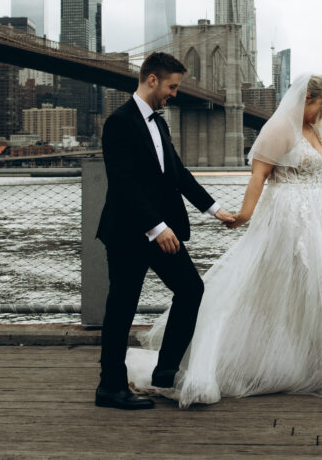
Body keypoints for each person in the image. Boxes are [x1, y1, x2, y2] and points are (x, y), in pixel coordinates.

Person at [126, 73, 322, 408]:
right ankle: (236, 360)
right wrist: (244, 214)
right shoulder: (280, 128)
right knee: (265, 284)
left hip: (315, 221)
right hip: (283, 217)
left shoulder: (320, 130)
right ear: (308, 97)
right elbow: (259, 175)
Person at [95, 52, 235, 410]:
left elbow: (177, 174)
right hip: (129, 232)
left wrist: (216, 209)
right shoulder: (118, 122)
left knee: (191, 289)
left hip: (161, 231)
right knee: (122, 307)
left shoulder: (161, 125)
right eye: (172, 86)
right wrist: (156, 227)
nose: (175, 93)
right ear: (152, 80)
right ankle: (110, 387)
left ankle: (165, 372)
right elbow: (123, 184)